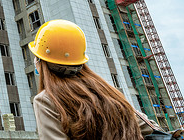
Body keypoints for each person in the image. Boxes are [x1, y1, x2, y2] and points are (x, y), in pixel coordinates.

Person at [29, 19, 163, 140]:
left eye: (36, 56)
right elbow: (152, 129)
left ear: (42, 61)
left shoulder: (45, 100)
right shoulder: (104, 90)